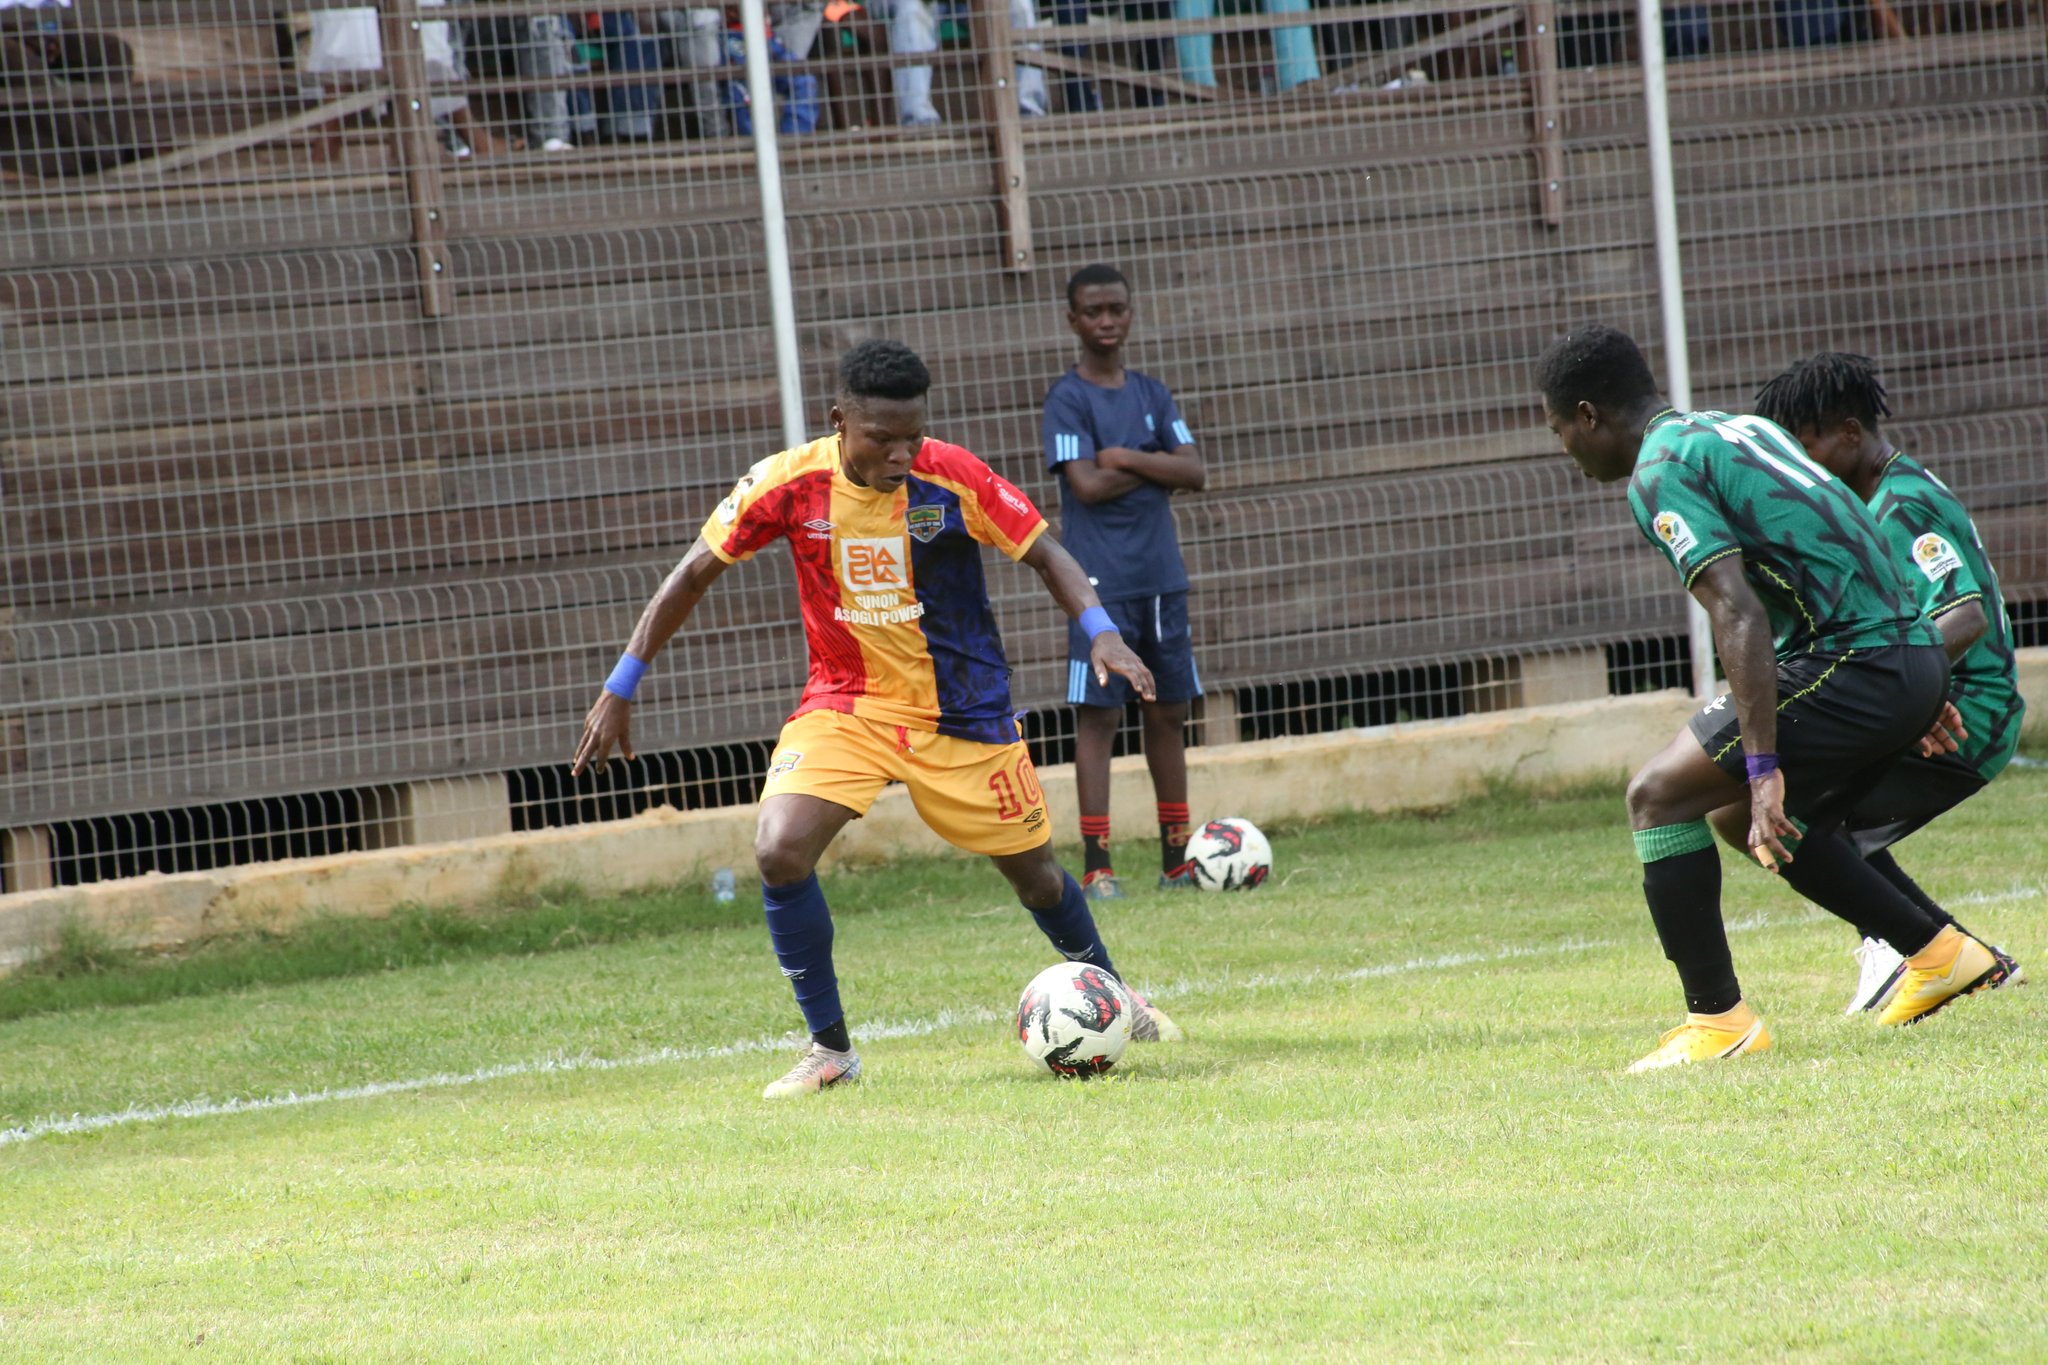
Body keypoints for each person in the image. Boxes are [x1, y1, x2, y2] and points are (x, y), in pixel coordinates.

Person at [572, 339, 1183, 1099]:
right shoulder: (786, 484)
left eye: (911, 436)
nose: (900, 453)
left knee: (1033, 875)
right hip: (845, 703)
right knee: (780, 849)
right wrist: (623, 683)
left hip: (961, 710)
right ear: (840, 422)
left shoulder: (951, 474)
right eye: (881, 438)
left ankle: (1116, 998)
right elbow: (694, 572)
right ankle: (830, 1051)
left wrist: (1104, 633)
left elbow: (1045, 551)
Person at [1533, 324, 2011, 1073]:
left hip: (1863, 658)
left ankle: (1718, 1020)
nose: (1563, 445)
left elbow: (1737, 611)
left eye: (1558, 427)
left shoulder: (1658, 471)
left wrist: (1764, 766)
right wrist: (1922, 675)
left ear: (1588, 415)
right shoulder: (1734, 427)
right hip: (1902, 652)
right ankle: (1940, 953)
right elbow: (1850, 530)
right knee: (1727, 812)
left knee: (1657, 795)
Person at [1746, 352, 2024, 1012]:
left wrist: (1916, 694)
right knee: (1805, 805)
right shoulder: (1877, 498)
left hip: (1971, 711)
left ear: (1848, 433)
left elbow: (1963, 617)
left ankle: (1898, 947)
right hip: (1938, 702)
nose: (1795, 464)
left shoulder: (1900, 507)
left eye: (1803, 443)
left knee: (1805, 808)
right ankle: (1962, 956)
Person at [1041, 264, 1206, 900]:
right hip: (1099, 588)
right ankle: (1097, 864)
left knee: (1168, 712)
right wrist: (1156, 463)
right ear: (1074, 320)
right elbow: (1085, 484)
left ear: (1130, 314)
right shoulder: (1068, 399)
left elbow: (1195, 471)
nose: (1106, 321)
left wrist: (1124, 456)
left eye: (1117, 309)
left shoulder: (1152, 394)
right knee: (1098, 719)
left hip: (1162, 577)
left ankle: (1176, 860)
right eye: (1093, 311)